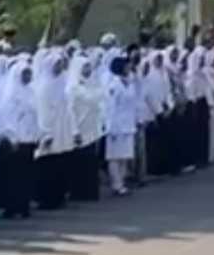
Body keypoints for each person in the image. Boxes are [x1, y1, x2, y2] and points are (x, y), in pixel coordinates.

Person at [0, 59, 40, 218]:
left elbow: (35, 115)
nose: (28, 76)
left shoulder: (31, 92)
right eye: (25, 73)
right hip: (15, 141)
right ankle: (11, 207)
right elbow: (7, 119)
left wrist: (37, 135)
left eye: (29, 73)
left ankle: (24, 205)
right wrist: (13, 137)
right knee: (13, 177)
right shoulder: (10, 95)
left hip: (28, 139)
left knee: (26, 175)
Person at [34, 50, 76, 210]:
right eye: (56, 65)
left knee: (60, 165)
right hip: (49, 131)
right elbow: (43, 112)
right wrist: (46, 133)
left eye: (60, 64)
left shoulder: (62, 83)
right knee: (47, 167)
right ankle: (46, 199)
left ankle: (59, 197)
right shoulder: (44, 86)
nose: (59, 67)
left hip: (62, 131)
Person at [68, 57, 104, 201]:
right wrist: (74, 131)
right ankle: (78, 192)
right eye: (85, 67)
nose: (88, 70)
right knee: (80, 162)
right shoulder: (73, 87)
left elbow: (100, 99)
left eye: (89, 67)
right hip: (79, 128)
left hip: (92, 128)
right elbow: (70, 111)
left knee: (91, 161)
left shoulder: (92, 83)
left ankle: (90, 192)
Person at [105, 56, 139, 195]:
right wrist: (110, 127)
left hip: (128, 124)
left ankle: (122, 182)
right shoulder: (113, 84)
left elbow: (133, 104)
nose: (129, 67)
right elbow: (110, 107)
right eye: (126, 66)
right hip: (116, 125)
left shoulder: (130, 83)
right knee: (114, 157)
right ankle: (116, 184)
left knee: (125, 156)